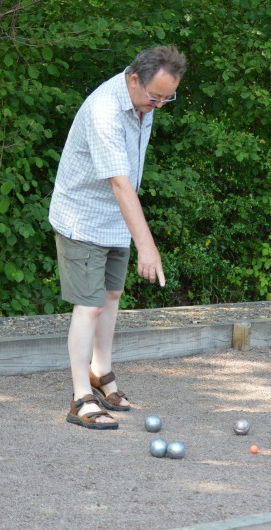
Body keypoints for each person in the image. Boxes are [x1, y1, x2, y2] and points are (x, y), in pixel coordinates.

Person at [48, 45, 187, 430]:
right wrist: (147, 244)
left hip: (115, 216)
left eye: (167, 97)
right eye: (154, 96)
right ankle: (80, 398)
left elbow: (125, 182)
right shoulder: (105, 109)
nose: (159, 105)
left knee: (111, 296)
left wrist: (133, 232)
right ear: (133, 79)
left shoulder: (144, 103)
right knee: (89, 304)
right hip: (83, 215)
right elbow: (119, 181)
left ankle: (101, 372)